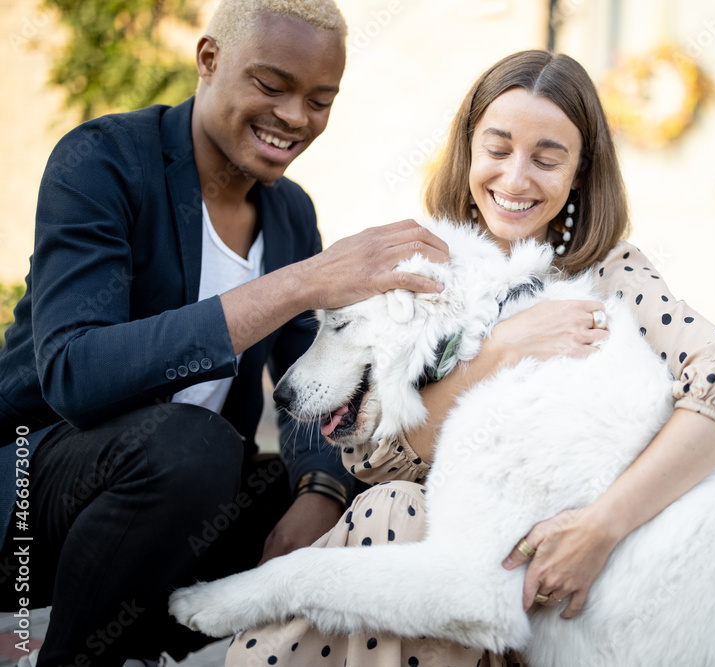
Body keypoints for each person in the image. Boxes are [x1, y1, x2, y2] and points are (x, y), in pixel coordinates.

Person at [227, 49, 715, 666]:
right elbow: (375, 460)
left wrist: (601, 526)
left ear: (579, 170)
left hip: (577, 563)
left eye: (547, 159)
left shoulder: (613, 274)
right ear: (467, 150)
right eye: (497, 150)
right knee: (397, 510)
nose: (516, 180)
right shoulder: (420, 263)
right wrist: (499, 352)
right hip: (452, 552)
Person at [0, 0, 451, 664]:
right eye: (272, 85)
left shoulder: (290, 214)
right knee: (195, 446)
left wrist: (321, 490)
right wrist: (298, 284)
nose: (297, 117)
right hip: (35, 492)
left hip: (181, 502)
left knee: (368, 488)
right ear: (209, 60)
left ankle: (161, 639)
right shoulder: (102, 162)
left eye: (321, 100)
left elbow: (309, 387)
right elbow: (74, 370)